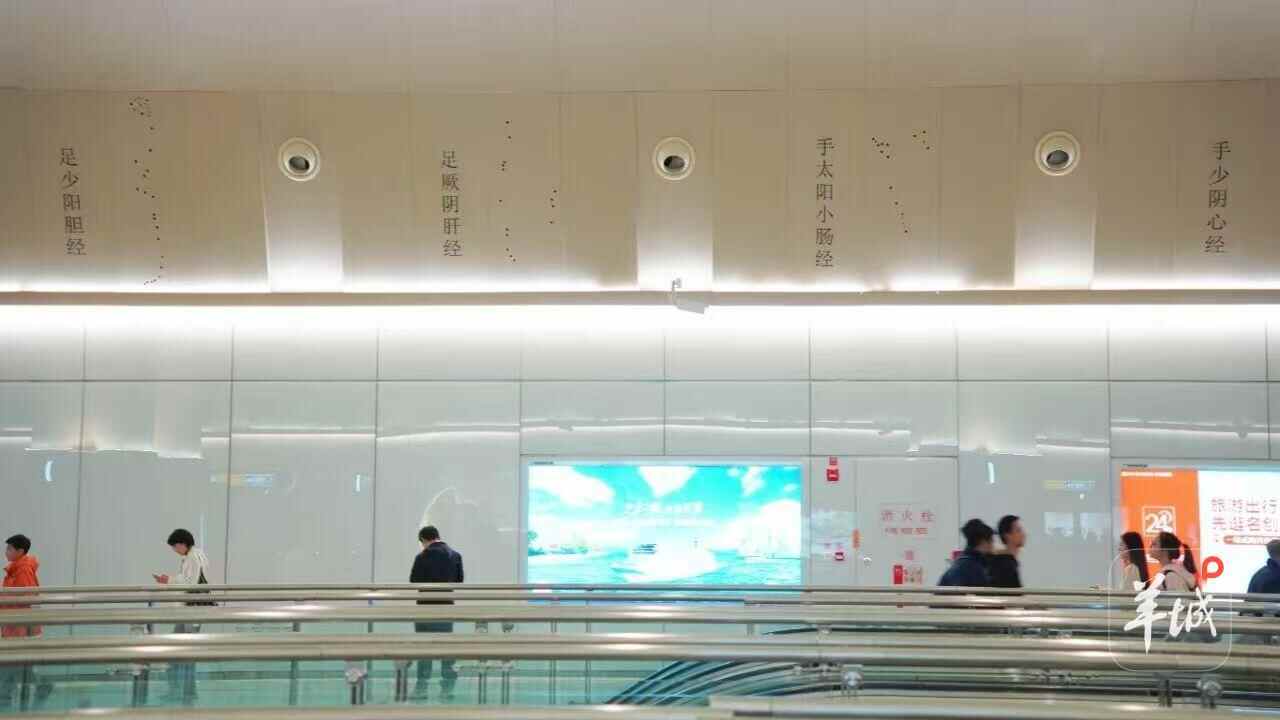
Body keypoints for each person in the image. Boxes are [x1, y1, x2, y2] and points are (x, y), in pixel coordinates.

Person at [152, 529, 211, 706]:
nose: (174, 550)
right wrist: (170, 579)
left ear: (182, 543)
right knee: (180, 651)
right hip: (191, 609)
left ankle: (186, 693)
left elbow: (189, 583)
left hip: (191, 609)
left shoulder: (192, 558)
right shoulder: (196, 555)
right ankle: (182, 691)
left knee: (185, 653)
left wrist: (168, 580)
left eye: (175, 546)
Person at [409, 526, 463, 701]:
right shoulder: (455, 555)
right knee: (446, 647)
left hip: (425, 607)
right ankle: (447, 689)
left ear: (424, 540)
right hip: (446, 606)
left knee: (424, 648)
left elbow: (414, 581)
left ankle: (422, 687)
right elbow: (459, 581)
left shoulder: (422, 556)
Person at [1, 534, 51, 708]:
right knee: (18, 664)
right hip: (15, 623)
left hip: (20, 625)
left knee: (12, 662)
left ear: (20, 551)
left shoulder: (23, 569)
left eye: (9, 549)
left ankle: (6, 695)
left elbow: (26, 597)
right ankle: (38, 686)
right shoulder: (16, 568)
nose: (6, 552)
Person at [937, 519, 993, 587]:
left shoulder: (962, 562)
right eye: (991, 541)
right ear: (983, 542)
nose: (992, 545)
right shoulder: (974, 568)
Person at [988, 515, 1024, 588]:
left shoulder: (1009, 562)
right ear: (1007, 535)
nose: (1023, 534)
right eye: (1018, 530)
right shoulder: (1004, 564)